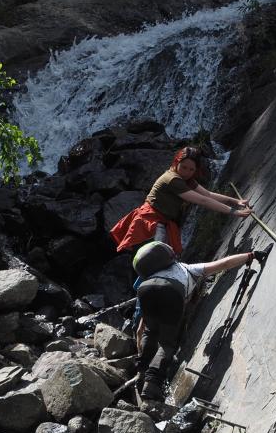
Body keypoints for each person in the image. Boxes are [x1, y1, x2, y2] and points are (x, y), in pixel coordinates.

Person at [132, 241, 267, 403]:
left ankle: (141, 374)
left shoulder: (152, 276)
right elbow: (224, 263)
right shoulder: (187, 268)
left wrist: (140, 353)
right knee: (168, 343)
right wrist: (251, 255)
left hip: (145, 290)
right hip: (171, 290)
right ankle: (152, 384)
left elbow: (141, 329)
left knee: (151, 332)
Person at [110, 145, 251, 255]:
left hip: (161, 221)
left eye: (191, 169)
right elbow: (203, 201)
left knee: (161, 258)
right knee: (158, 258)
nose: (187, 172)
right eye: (184, 167)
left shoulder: (186, 179)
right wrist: (234, 212)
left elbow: (208, 194)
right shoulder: (172, 179)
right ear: (176, 162)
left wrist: (235, 202)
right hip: (149, 222)